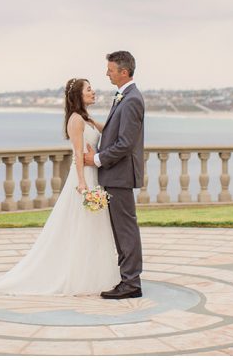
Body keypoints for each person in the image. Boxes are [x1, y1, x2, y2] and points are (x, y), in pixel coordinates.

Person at [0, 78, 119, 296]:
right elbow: (78, 154)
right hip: (85, 176)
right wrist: (82, 183)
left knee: (94, 226)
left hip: (95, 173)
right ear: (78, 95)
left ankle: (94, 272)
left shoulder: (86, 118)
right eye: (89, 89)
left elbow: (109, 130)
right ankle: (76, 274)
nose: (94, 92)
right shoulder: (75, 120)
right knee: (80, 225)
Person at [83, 50, 145, 299]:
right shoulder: (124, 97)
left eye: (110, 70)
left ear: (123, 71)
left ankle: (131, 283)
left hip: (120, 176)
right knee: (121, 229)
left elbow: (125, 144)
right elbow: (117, 135)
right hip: (115, 175)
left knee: (126, 229)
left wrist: (96, 159)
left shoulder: (131, 100)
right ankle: (127, 279)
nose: (106, 74)